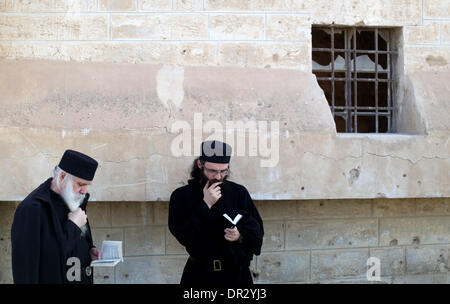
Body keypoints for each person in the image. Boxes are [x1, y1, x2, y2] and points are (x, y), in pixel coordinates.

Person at [169, 140, 264, 285]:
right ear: (200, 165)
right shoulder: (181, 196)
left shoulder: (239, 192)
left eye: (223, 171)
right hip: (200, 276)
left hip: (236, 276)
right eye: (212, 171)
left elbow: (257, 230)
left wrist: (240, 235)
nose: (219, 177)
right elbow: (183, 234)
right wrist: (205, 204)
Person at [11, 149, 101, 284]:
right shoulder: (32, 209)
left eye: (87, 185)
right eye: (80, 184)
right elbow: (30, 267)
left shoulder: (74, 199)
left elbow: (69, 246)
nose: (84, 191)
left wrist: (88, 251)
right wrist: (73, 227)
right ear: (62, 176)